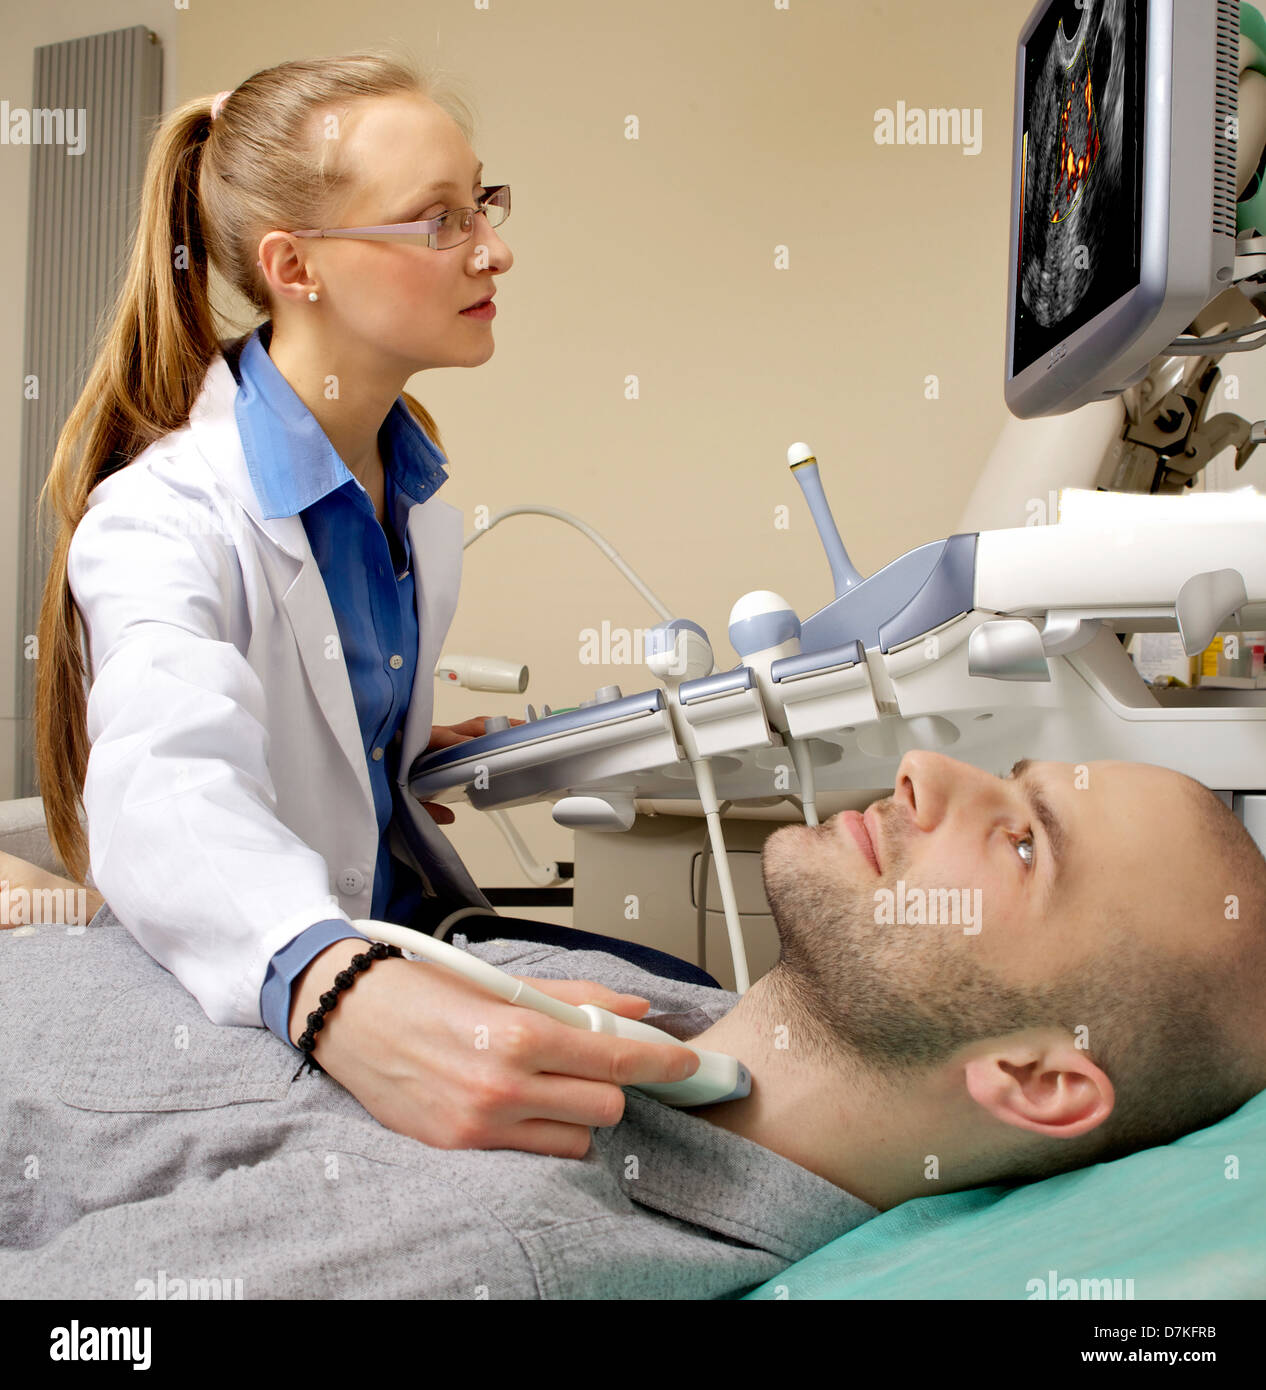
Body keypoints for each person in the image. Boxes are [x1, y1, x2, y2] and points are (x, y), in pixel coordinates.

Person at [31, 52, 707, 1165]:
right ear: (296, 266)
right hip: (278, 970)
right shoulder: (162, 515)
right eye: (436, 221)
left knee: (693, 1014)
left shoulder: (414, 476)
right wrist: (329, 977)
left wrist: (395, 748)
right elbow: (162, 781)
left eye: (481, 200)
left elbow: (315, 711)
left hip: (407, 923)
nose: (494, 248)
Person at [2, 750, 1263, 1299]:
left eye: (1024, 838)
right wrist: (69, 921)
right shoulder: (680, 1016)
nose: (929, 771)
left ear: (1040, 1084)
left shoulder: (508, 1240)